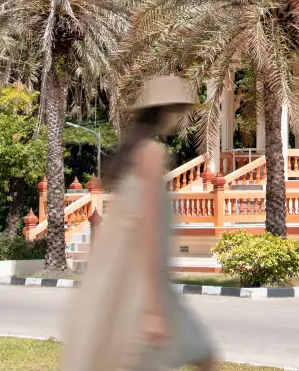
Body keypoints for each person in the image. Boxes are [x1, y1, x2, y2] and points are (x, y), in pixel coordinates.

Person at [63, 76, 217, 371]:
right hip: (145, 286)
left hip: (126, 280)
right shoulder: (152, 154)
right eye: (177, 109)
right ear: (167, 111)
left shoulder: (132, 155)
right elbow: (147, 231)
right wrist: (154, 307)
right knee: (203, 356)